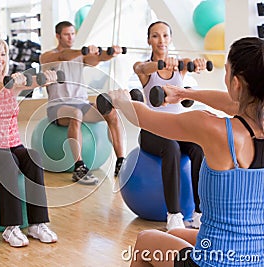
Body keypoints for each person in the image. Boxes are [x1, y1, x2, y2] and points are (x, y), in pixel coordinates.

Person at [109, 36, 264, 266]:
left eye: (227, 72)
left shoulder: (213, 129)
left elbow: (143, 117)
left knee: (145, 241)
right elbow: (235, 104)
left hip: (216, 261)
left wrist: (120, 101)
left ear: (236, 84)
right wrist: (184, 93)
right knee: (175, 235)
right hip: (255, 257)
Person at [0, 38, 58, 248]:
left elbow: (33, 81)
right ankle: (11, 228)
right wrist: (8, 81)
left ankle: (37, 223)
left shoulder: (13, 86)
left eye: (3, 54)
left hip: (12, 146)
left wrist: (46, 78)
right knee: (6, 161)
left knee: (33, 157)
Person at [132, 21, 207, 230]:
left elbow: (192, 63)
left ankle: (200, 213)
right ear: (149, 40)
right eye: (155, 36)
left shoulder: (180, 65)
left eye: (165, 35)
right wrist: (162, 64)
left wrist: (198, 63)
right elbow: (145, 67)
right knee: (172, 148)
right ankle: (174, 215)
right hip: (152, 131)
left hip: (176, 128)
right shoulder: (143, 68)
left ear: (170, 39)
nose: (161, 40)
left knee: (199, 148)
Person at [39, 20, 125, 186]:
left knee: (111, 111)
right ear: (58, 36)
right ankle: (79, 168)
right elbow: (63, 55)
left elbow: (97, 59)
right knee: (75, 113)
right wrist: (83, 51)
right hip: (58, 108)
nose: (71, 37)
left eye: (73, 33)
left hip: (81, 103)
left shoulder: (80, 56)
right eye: (66, 34)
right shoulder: (47, 57)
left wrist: (110, 53)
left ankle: (120, 162)